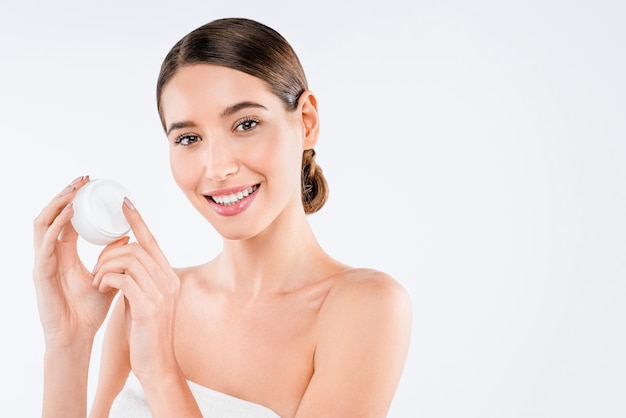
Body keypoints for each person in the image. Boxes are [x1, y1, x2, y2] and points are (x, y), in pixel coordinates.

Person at [33, 17, 412, 418]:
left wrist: (161, 371)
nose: (216, 167)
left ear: (306, 121)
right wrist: (68, 344)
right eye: (188, 138)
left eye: (246, 124)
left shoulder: (365, 307)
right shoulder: (145, 301)